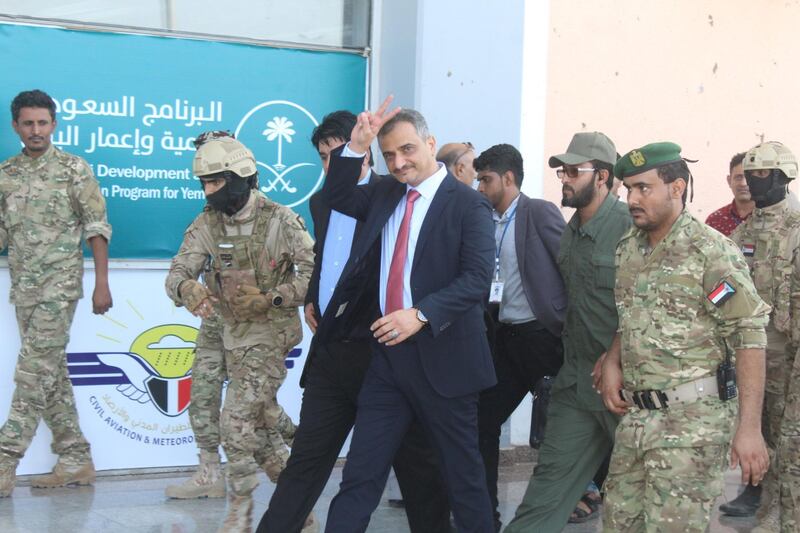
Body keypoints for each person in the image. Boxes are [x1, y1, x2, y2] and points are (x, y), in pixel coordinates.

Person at [257, 110, 450, 533]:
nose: (331, 165)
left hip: (382, 355)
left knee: (414, 467)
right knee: (305, 462)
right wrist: (313, 297)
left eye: (338, 153)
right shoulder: (320, 200)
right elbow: (326, 259)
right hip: (330, 353)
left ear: (363, 150)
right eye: (324, 157)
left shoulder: (393, 195)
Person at [320, 97, 496, 532]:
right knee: (360, 475)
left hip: (447, 361)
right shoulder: (384, 193)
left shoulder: (468, 205)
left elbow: (476, 280)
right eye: (389, 155)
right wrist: (357, 147)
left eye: (407, 150)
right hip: (388, 361)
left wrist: (420, 314)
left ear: (430, 143)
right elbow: (336, 196)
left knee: (464, 481)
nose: (398, 163)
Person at [600, 142, 770, 531]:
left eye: (644, 188)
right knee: (618, 524)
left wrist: (749, 428)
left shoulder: (710, 253)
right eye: (629, 189)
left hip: (692, 426)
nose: (633, 199)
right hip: (638, 421)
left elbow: (748, 334)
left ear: (676, 188)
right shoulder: (629, 248)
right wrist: (612, 358)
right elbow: (632, 314)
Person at [165, 131, 314, 531]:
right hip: (223, 329)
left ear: (240, 177)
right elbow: (177, 272)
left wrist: (272, 298)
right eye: (204, 184)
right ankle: (299, 508)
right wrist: (187, 288)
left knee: (235, 421)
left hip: (268, 335)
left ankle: (241, 511)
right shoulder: (207, 222)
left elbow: (317, 277)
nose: (209, 192)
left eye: (215, 182)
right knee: (258, 427)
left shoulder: (281, 220)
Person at [505, 131, 629, 532]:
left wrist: (617, 357)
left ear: (604, 177)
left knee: (639, 503)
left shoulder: (631, 229)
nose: (565, 178)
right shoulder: (570, 232)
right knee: (544, 495)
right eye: (562, 171)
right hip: (576, 384)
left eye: (574, 171)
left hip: (625, 388)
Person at [0, 89, 112, 497]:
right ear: (16, 126)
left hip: (60, 288)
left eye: (42, 122)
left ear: (53, 124)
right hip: (24, 291)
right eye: (28, 123)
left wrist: (102, 283)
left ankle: (4, 459)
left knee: (31, 374)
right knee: (49, 376)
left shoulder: (73, 169)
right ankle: (74, 457)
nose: (35, 130)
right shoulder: (5, 174)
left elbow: (96, 226)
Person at [472, 143, 566, 531]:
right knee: (482, 420)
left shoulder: (537, 212)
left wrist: (565, 323)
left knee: (562, 428)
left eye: (486, 179)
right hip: (504, 339)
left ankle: (583, 494)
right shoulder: (485, 220)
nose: (479, 186)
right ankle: (484, 516)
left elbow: (569, 265)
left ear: (508, 179)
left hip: (542, 338)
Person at [728, 141, 800, 530]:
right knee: (765, 441)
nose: (752, 183)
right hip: (755, 362)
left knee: (792, 448)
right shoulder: (742, 233)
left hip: (791, 361)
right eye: (748, 175)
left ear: (782, 177)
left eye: (761, 175)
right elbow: (726, 292)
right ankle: (769, 512)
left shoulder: (796, 229)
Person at [163, 311, 297, 501]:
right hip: (213, 319)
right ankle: (209, 475)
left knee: (257, 405)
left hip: (249, 323)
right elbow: (182, 281)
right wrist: (188, 290)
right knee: (202, 395)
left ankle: (292, 465)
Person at [705, 152, 753, 237]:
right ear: (729, 181)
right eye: (738, 177)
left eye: (748, 178)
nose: (743, 183)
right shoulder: (715, 221)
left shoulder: (771, 219)